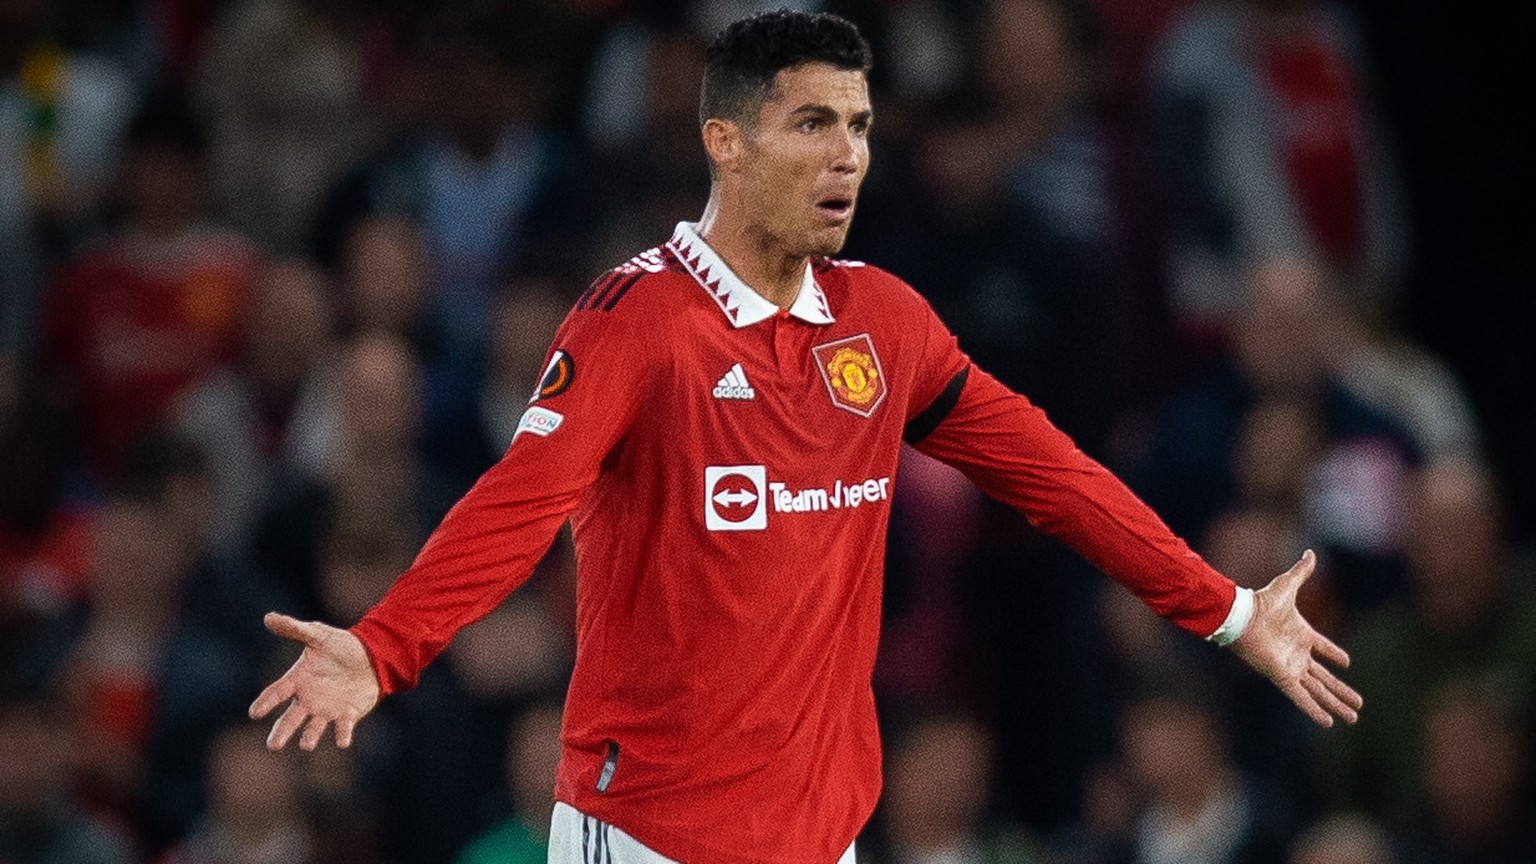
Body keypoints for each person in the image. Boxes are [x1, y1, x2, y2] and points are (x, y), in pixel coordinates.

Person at [250, 11, 1361, 864]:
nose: (848, 157)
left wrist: (1223, 610)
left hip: (823, 838)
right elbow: (519, 501)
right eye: (812, 124)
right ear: (725, 143)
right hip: (647, 838)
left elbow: (1052, 476)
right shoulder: (636, 322)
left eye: (863, 125)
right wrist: (384, 646)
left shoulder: (885, 321)